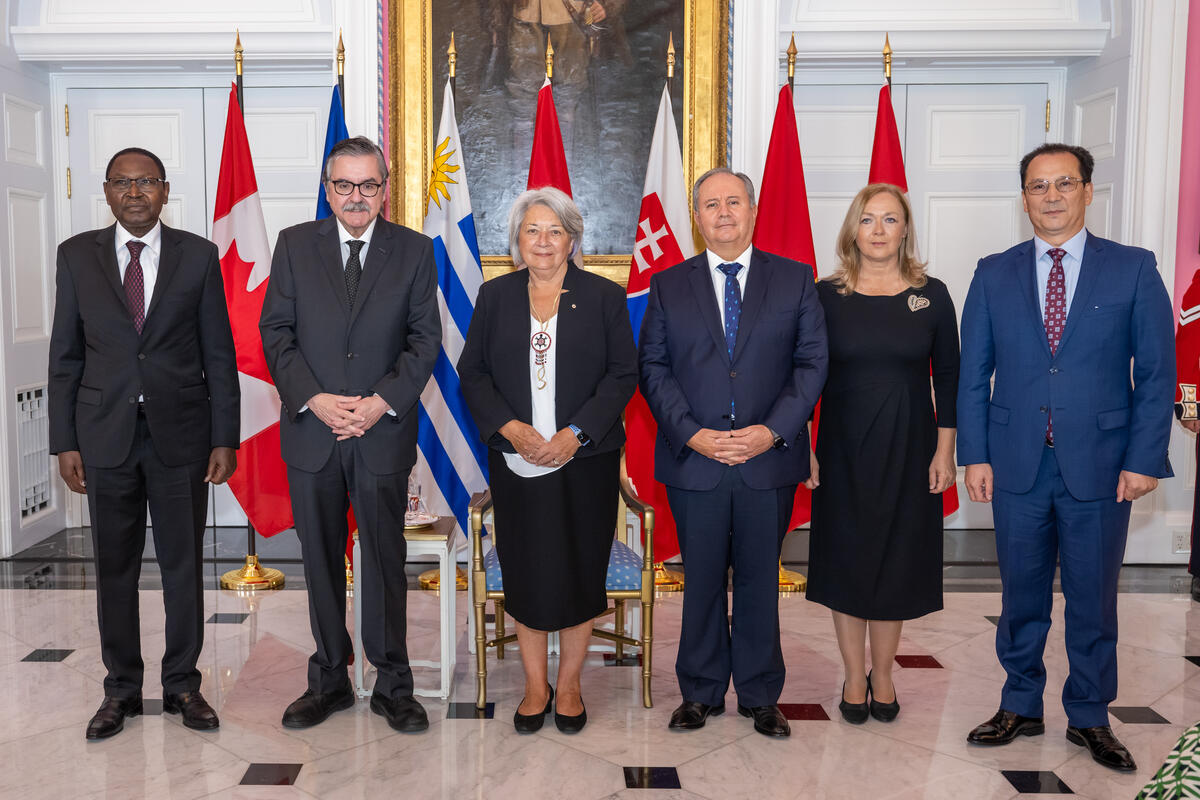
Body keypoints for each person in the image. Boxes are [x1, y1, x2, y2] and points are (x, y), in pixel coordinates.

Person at [958, 143, 1175, 772]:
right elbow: (974, 374)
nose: (1050, 196)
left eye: (1063, 184)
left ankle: (1089, 714)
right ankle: (1020, 704)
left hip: (1103, 466)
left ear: (1086, 191)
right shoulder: (993, 272)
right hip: (1016, 462)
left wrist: (1143, 459)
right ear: (1023, 196)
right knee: (1021, 596)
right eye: (1037, 186)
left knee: (1092, 599)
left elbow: (1157, 375)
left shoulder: (1133, 269)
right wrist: (975, 453)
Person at [48, 147, 239, 740]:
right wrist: (64, 440)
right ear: (106, 192)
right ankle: (121, 690)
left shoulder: (199, 257)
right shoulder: (76, 256)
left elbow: (218, 353)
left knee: (183, 567)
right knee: (114, 569)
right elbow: (65, 355)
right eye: (124, 183)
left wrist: (224, 436)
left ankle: (183, 684)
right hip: (103, 437)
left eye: (147, 182)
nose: (135, 193)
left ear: (164, 190)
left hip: (182, 436)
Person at [259, 136, 441, 733]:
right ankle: (329, 680)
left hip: (381, 431)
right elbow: (276, 333)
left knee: (386, 561)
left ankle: (394, 685)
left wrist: (380, 403)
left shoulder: (413, 251)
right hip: (313, 431)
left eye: (368, 185)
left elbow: (424, 341)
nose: (356, 197)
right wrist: (315, 398)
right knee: (319, 560)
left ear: (385, 189)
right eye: (344, 185)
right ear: (327, 187)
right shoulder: (293, 246)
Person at [638, 167, 827, 738]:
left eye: (734, 203)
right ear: (696, 218)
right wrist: (692, 433)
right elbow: (653, 367)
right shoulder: (670, 284)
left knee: (757, 581)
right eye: (711, 205)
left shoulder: (795, 280)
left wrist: (771, 432)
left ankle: (760, 694)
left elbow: (812, 364)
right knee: (699, 579)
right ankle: (698, 693)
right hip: (695, 458)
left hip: (767, 459)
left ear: (752, 210)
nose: (723, 213)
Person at [458, 187, 637, 734]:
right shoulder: (495, 297)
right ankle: (536, 687)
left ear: (571, 240)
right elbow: (474, 374)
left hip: (585, 461)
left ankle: (572, 686)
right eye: (532, 231)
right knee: (528, 570)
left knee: (581, 570)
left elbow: (622, 375)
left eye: (554, 231)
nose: (542, 241)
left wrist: (575, 434)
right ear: (517, 242)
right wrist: (511, 430)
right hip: (516, 462)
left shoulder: (605, 297)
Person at [805, 183, 958, 724]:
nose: (877, 230)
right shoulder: (824, 296)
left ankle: (885, 674)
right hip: (842, 450)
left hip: (911, 451)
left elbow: (951, 378)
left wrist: (946, 450)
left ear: (905, 230)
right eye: (868, 219)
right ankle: (852, 676)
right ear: (852, 228)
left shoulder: (932, 295)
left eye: (890, 220)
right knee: (847, 562)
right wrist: (805, 446)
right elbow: (803, 378)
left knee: (895, 563)